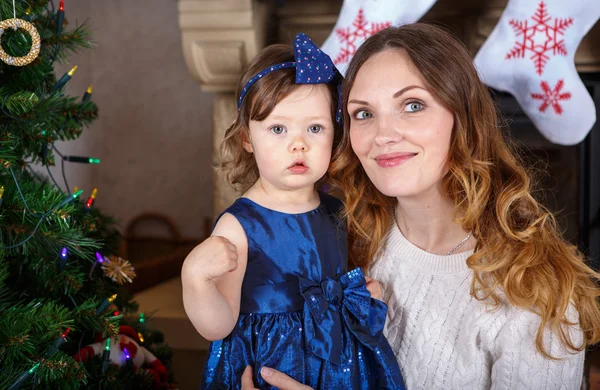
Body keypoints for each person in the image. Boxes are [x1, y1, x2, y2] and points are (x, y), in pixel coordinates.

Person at [241, 23, 600, 389]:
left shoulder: (533, 293)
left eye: (412, 105)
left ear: (462, 118)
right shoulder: (343, 240)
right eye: (363, 113)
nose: (383, 134)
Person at [181, 32, 405, 389]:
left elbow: (337, 285)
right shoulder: (240, 226)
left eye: (315, 128)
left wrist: (361, 296)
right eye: (278, 128)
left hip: (338, 364)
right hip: (270, 365)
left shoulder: (335, 209)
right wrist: (195, 279)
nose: (298, 143)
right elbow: (218, 325)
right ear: (247, 139)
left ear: (336, 136)